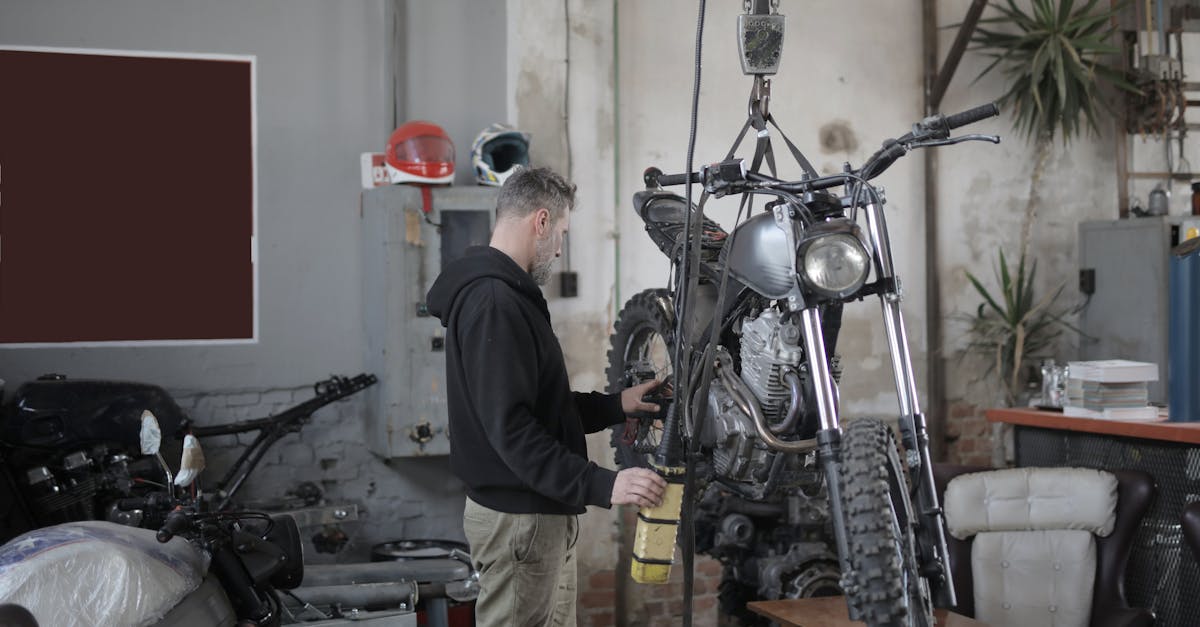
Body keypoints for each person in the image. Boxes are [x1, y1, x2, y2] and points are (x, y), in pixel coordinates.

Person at [426, 167, 668, 626]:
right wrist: (603, 483)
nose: (559, 247)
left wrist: (617, 405)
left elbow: (539, 408)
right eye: (560, 233)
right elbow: (512, 431)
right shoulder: (495, 303)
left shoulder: (505, 296)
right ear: (540, 222)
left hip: (535, 515)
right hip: (522, 521)